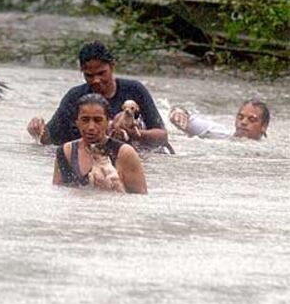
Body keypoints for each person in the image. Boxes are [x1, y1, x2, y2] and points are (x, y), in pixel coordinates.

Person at [27, 40, 168, 149]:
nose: (95, 80)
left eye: (101, 73)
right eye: (89, 75)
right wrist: (38, 130)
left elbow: (162, 136)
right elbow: (50, 140)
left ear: (112, 67)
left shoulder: (135, 90)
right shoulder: (75, 97)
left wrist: (131, 134)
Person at [53, 93, 148, 194]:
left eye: (98, 120)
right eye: (85, 120)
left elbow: (141, 201)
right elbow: (57, 195)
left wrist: (117, 188)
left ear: (108, 122)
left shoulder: (124, 153)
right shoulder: (65, 152)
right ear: (77, 122)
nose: (91, 127)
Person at [169, 99, 270, 140]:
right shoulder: (215, 132)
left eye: (251, 119)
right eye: (240, 117)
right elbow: (186, 118)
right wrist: (177, 113)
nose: (243, 122)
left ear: (264, 126)